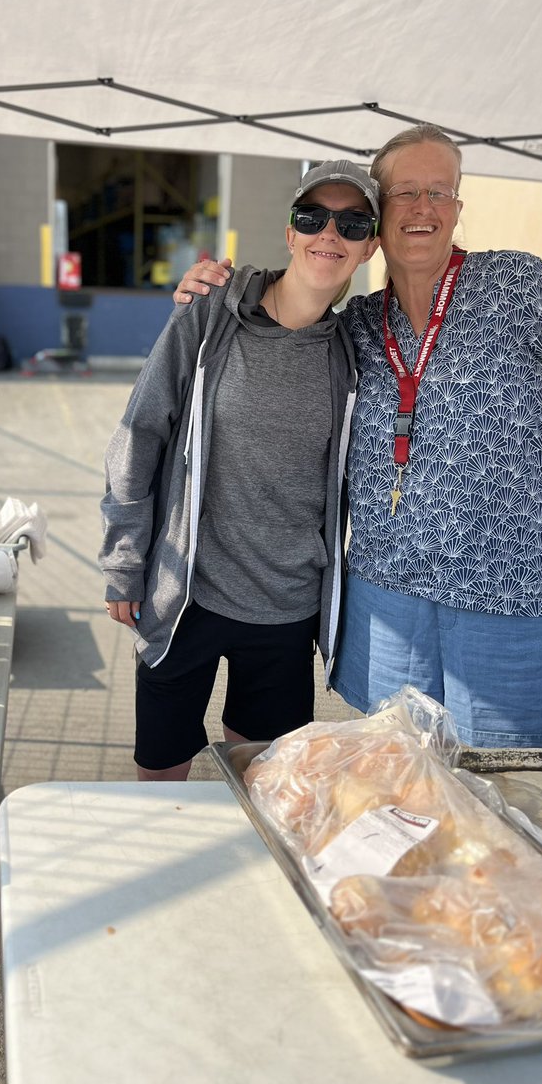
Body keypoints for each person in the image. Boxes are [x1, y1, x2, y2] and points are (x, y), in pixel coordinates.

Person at [175, 124, 542, 749]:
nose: (424, 207)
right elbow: (287, 308)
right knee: (398, 789)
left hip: (512, 599)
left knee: (513, 795)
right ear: (376, 216)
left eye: (441, 192)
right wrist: (217, 290)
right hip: (387, 602)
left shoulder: (521, 288)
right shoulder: (359, 327)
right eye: (405, 192)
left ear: (456, 208)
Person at [99, 160, 381, 781]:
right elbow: (140, 430)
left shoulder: (357, 348)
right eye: (313, 217)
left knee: (264, 791)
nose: (328, 233)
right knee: (162, 780)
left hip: (286, 608)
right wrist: (125, 558)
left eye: (352, 222)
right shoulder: (209, 316)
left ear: (370, 246)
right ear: (290, 231)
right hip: (186, 594)